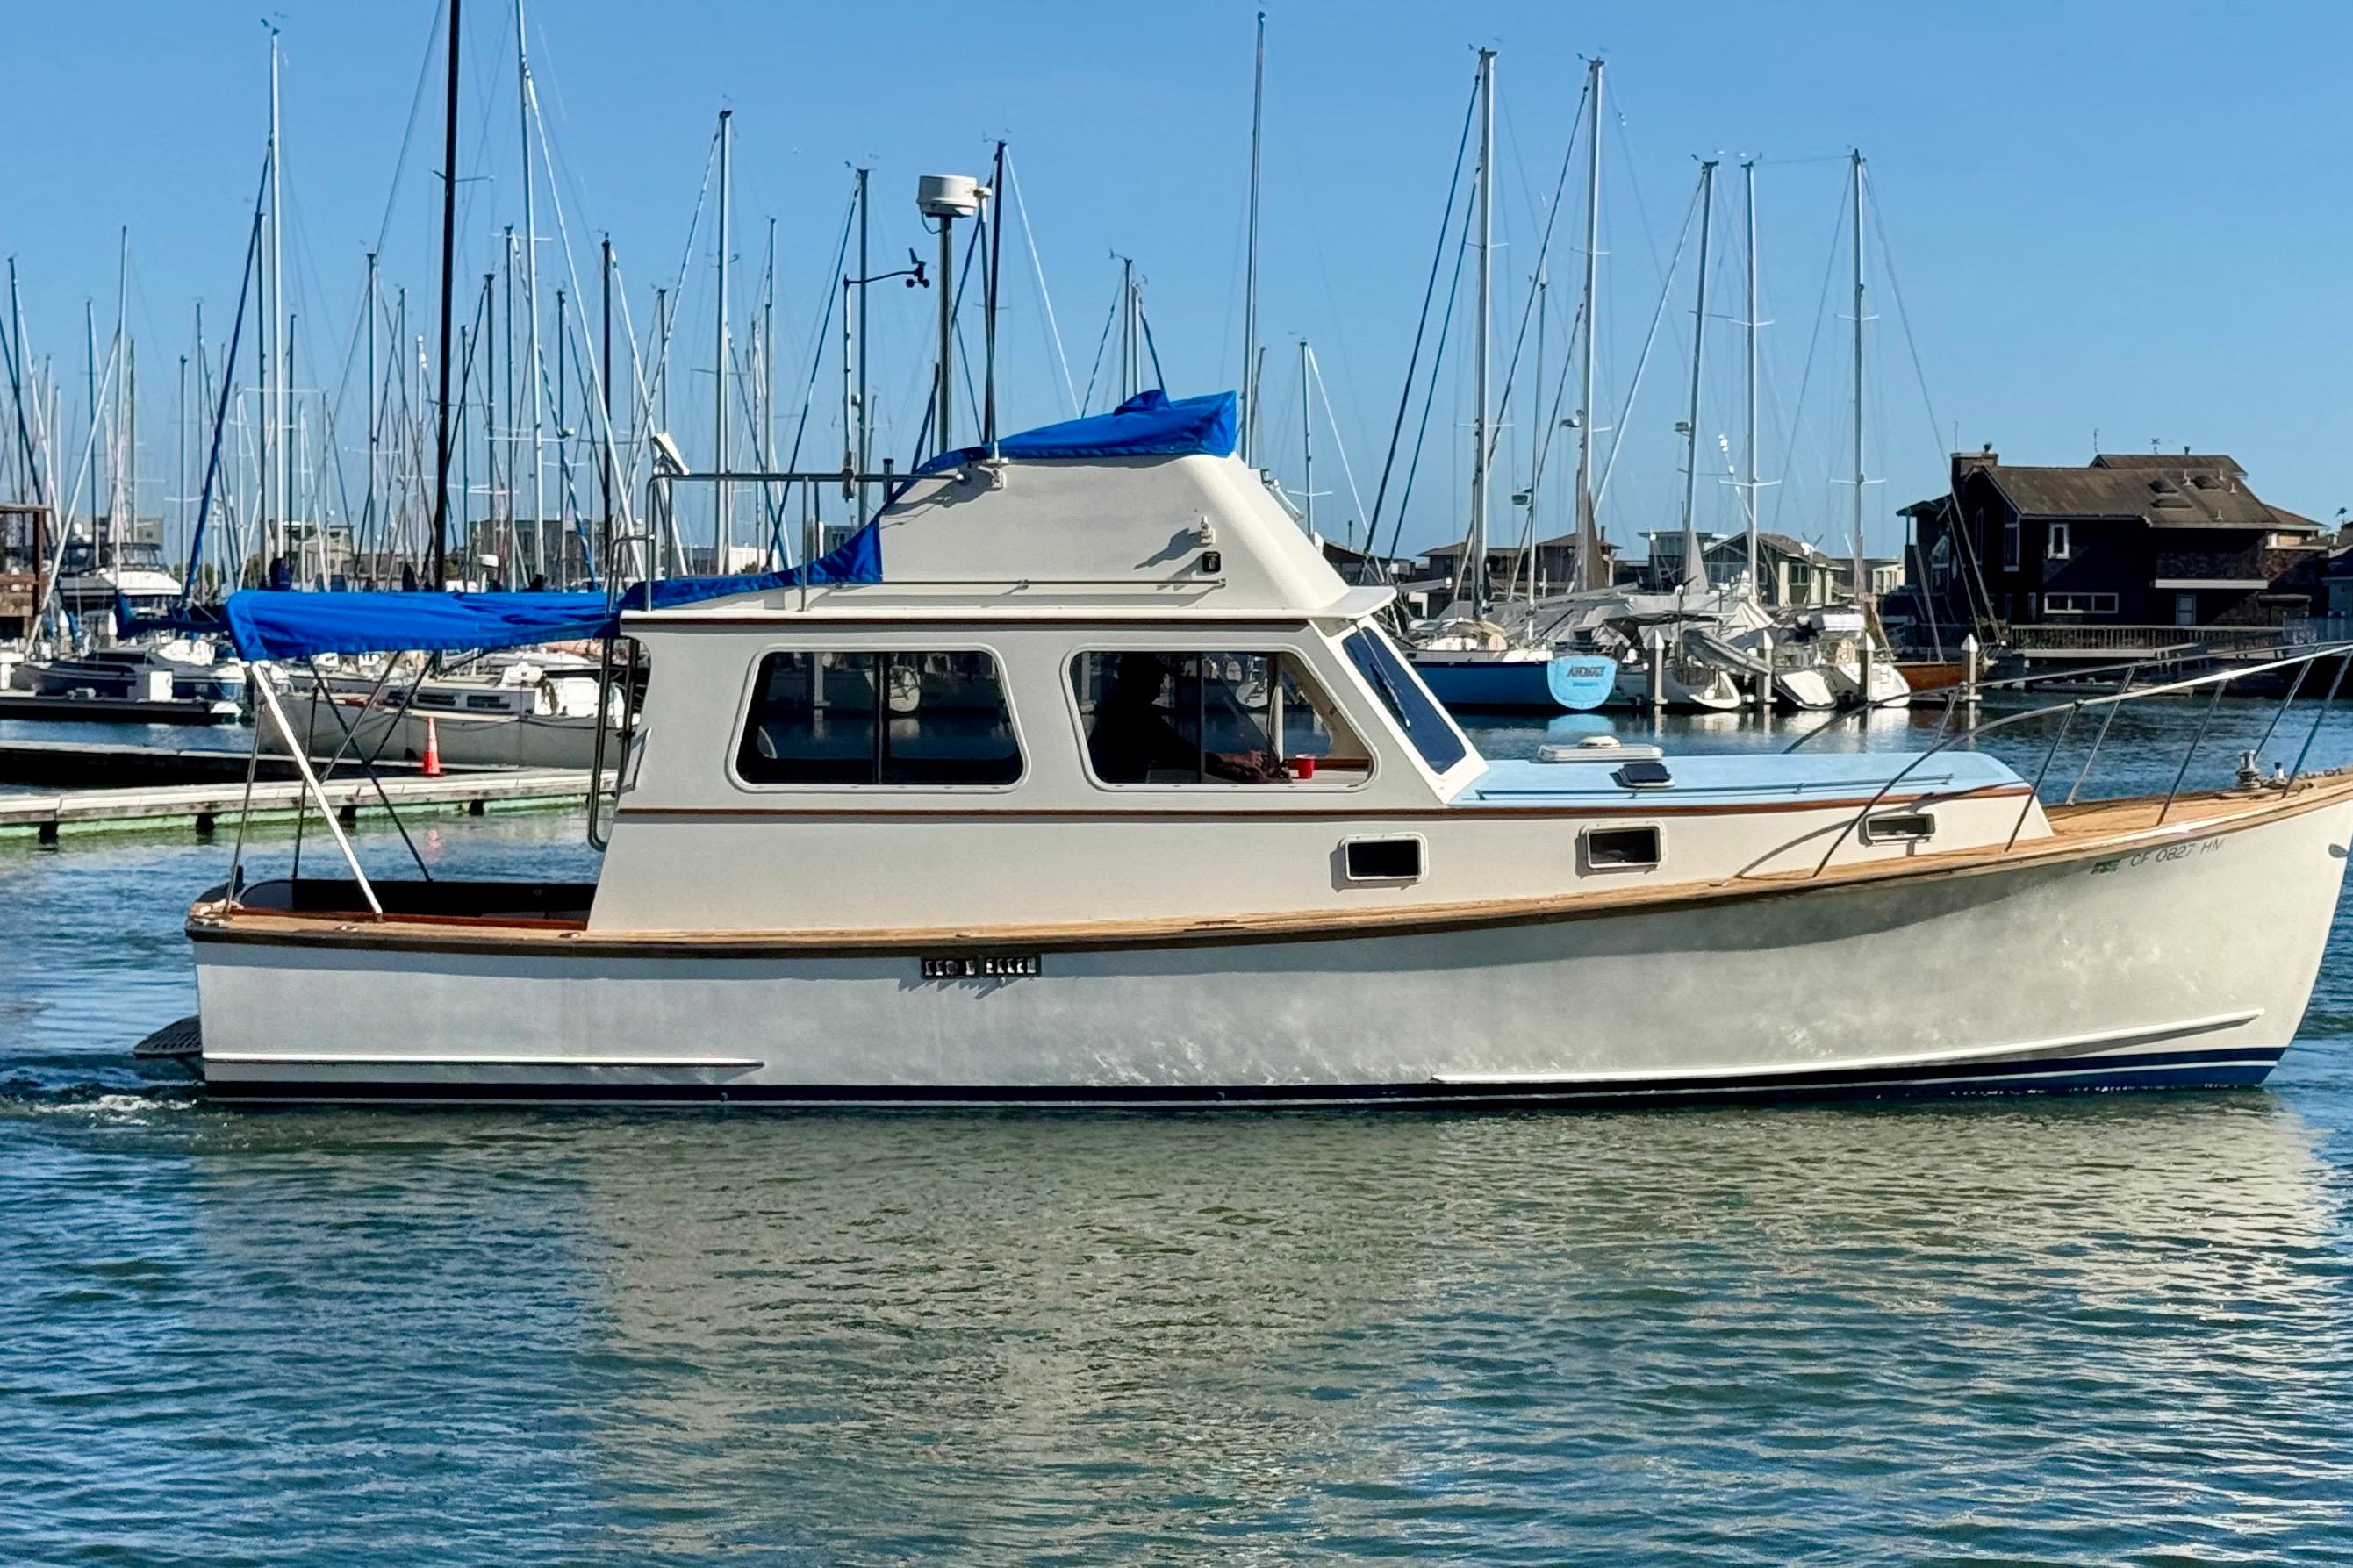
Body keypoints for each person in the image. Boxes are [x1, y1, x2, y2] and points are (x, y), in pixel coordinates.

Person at [1087, 654, 1284, 784]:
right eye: (1156, 675)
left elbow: (1184, 756)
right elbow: (1183, 755)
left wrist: (1239, 770)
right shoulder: (1132, 716)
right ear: (1137, 678)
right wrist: (1238, 760)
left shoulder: (1127, 709)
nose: (1162, 681)